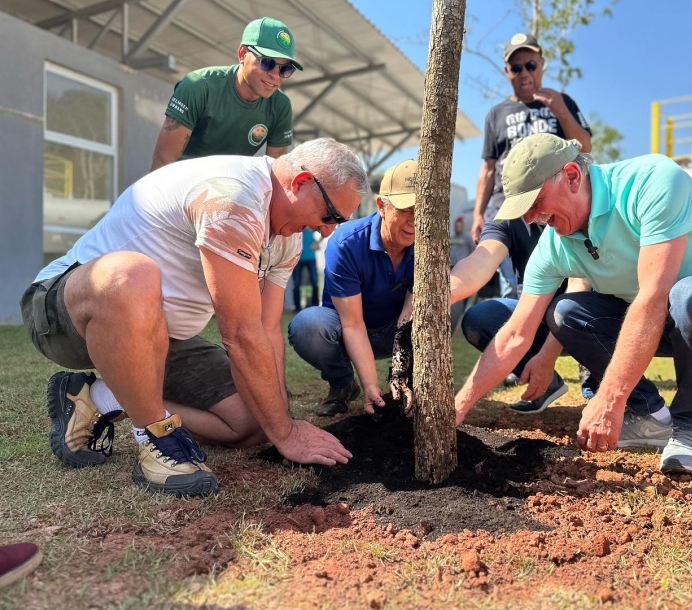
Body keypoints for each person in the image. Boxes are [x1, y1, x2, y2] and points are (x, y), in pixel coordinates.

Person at [20, 138, 368, 496]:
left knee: (253, 421)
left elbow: (266, 332)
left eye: (339, 222)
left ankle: (100, 397)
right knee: (132, 274)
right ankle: (154, 436)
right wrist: (288, 435)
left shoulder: (286, 238)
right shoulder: (235, 198)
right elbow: (240, 333)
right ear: (300, 182)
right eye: (330, 215)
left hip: (160, 336)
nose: (327, 230)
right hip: (63, 311)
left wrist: (280, 423)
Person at [455, 134, 692, 475]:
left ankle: (690, 428)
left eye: (534, 202)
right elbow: (515, 333)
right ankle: (650, 417)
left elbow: (653, 296)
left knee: (689, 294)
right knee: (566, 312)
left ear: (572, 176)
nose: (532, 217)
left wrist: (609, 399)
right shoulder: (555, 245)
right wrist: (458, 407)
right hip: (667, 321)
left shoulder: (653, 180)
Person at [288, 159, 417, 417]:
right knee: (307, 325)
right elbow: (353, 324)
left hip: (397, 329)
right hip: (348, 330)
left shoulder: (428, 246)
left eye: (424, 209)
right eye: (406, 209)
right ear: (382, 206)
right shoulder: (346, 243)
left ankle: (412, 384)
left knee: (448, 300)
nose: (415, 220)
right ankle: (344, 384)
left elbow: (411, 315)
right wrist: (372, 387)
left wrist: (400, 370)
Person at [451, 212, 596, 414]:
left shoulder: (574, 212)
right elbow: (481, 260)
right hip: (540, 316)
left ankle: (615, 392)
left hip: (588, 318)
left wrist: (547, 356)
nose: (531, 214)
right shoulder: (507, 217)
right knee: (480, 318)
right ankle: (543, 384)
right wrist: (445, 292)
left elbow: (579, 286)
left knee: (571, 309)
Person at [470, 32, 592, 245]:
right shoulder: (496, 114)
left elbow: (585, 148)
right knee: (510, 274)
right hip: (510, 207)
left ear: (542, 64)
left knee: (562, 276)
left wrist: (562, 112)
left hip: (553, 205)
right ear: (507, 71)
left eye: (531, 65)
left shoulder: (563, 102)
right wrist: (477, 214)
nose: (524, 73)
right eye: (516, 68)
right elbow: (488, 168)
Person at [151, 17, 301, 171]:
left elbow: (275, 176)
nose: (275, 76)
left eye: (285, 69)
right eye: (267, 63)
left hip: (229, 188)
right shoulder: (198, 86)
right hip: (181, 182)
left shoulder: (280, 106)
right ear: (242, 53)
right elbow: (163, 161)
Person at [449, 215, 475, 333]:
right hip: (451, 268)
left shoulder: (467, 238)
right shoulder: (451, 237)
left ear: (462, 227)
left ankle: (461, 314)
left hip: (463, 269)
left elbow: (475, 249)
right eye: (456, 226)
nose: (457, 228)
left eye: (459, 226)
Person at [292, 228, 321, 311]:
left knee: (315, 282)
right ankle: (297, 307)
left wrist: (317, 243)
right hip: (297, 258)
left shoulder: (311, 225)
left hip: (311, 257)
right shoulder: (297, 225)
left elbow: (325, 230)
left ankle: (315, 305)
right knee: (296, 284)